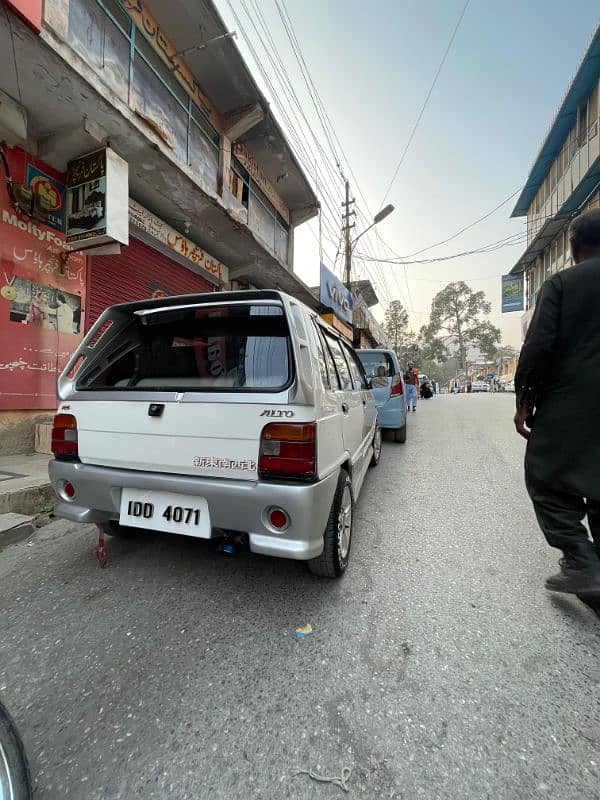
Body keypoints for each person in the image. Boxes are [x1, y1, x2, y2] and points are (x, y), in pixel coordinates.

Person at [514, 208, 600, 595]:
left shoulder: (563, 284)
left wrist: (524, 401)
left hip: (572, 403)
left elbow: (537, 349)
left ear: (574, 245)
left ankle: (581, 559)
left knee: (545, 477)